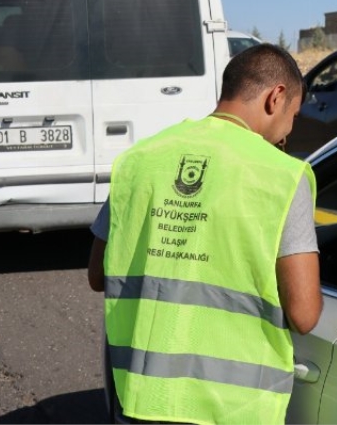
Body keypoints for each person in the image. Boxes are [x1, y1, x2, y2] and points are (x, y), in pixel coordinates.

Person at [87, 43, 323, 424]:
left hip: (141, 397)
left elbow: (98, 275)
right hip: (235, 410)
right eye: (293, 116)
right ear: (276, 97)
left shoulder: (140, 161)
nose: (288, 131)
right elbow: (305, 313)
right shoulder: (282, 176)